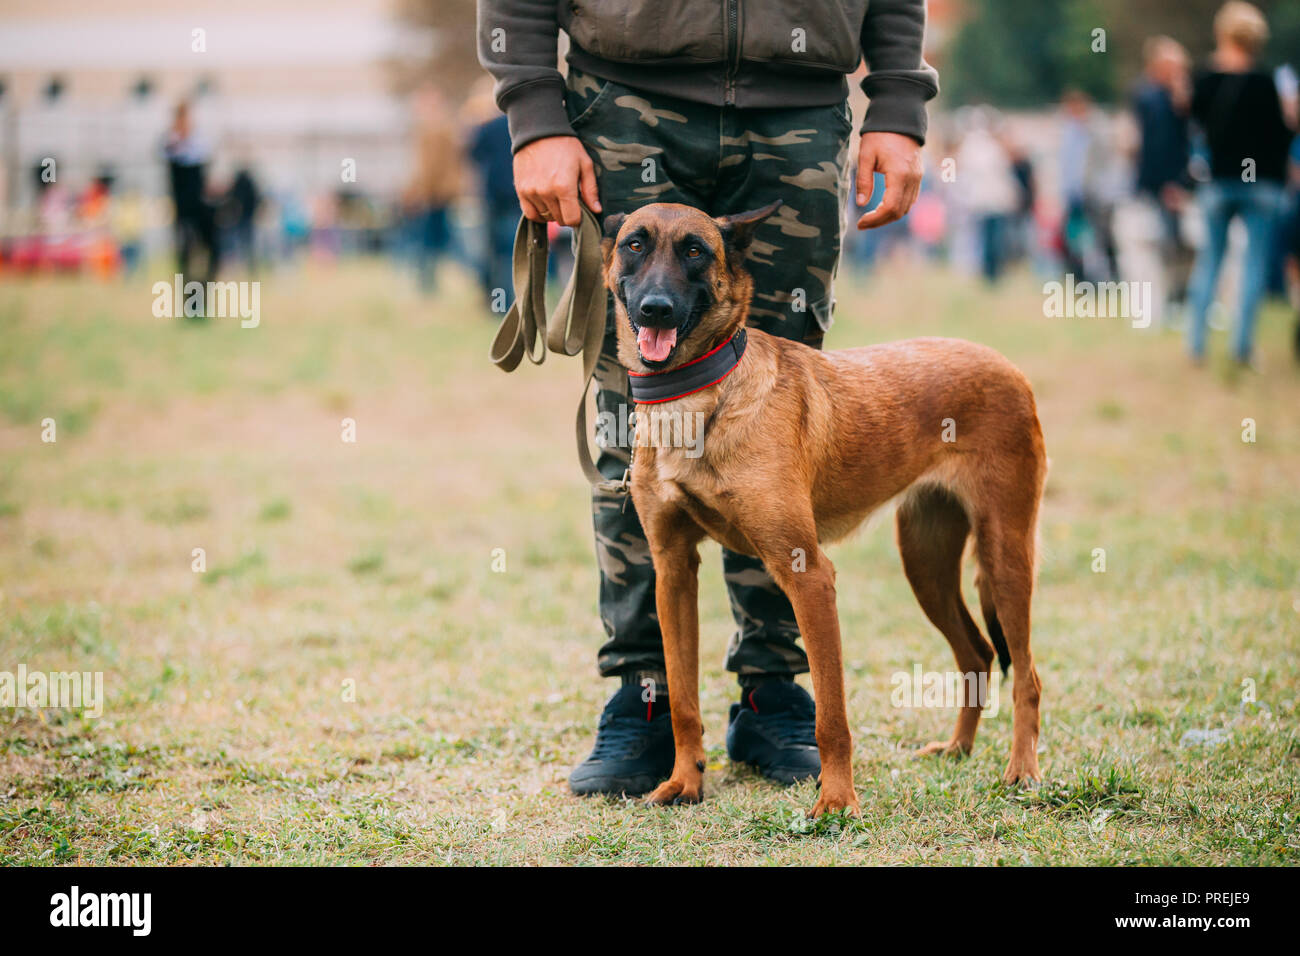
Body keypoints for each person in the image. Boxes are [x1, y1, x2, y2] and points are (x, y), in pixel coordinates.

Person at [478, 0, 937, 796]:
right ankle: (646, 699)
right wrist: (532, 108)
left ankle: (772, 690)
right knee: (634, 417)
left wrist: (897, 101)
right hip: (626, 102)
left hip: (798, 109)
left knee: (780, 425)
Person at [1186, 2, 1295, 366]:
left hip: (1218, 183)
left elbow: (1194, 124)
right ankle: (1242, 348)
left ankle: (1196, 345)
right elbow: (1280, 136)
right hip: (1260, 184)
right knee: (1253, 264)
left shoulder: (1205, 79)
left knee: (1210, 262)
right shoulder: (1265, 82)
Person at [1132, 36, 1194, 319]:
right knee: (1167, 246)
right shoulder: (1152, 98)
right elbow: (1158, 147)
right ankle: (1168, 305)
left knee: (1179, 245)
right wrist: (1169, 184)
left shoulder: (1172, 97)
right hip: (1163, 186)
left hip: (1174, 184)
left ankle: (1175, 302)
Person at [164, 101, 220, 288]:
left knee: (211, 250)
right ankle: (189, 298)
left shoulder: (199, 143)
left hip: (200, 208)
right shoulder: (171, 144)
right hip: (183, 211)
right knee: (185, 256)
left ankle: (204, 291)